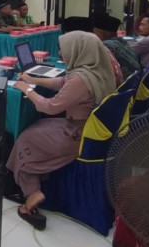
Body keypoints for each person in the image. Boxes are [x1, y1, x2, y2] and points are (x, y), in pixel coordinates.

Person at [8, 31, 117, 231]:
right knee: (39, 126)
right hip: (85, 128)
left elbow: (49, 107)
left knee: (25, 137)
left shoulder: (81, 80)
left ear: (78, 50)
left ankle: (32, 193)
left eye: (65, 49)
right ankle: (35, 181)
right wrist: (33, 79)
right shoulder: (94, 71)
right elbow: (61, 83)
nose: (61, 53)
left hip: (75, 135)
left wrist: (27, 89)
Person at [92, 14, 141, 79]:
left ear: (102, 32)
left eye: (94, 31)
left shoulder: (107, 46)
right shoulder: (121, 42)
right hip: (133, 81)